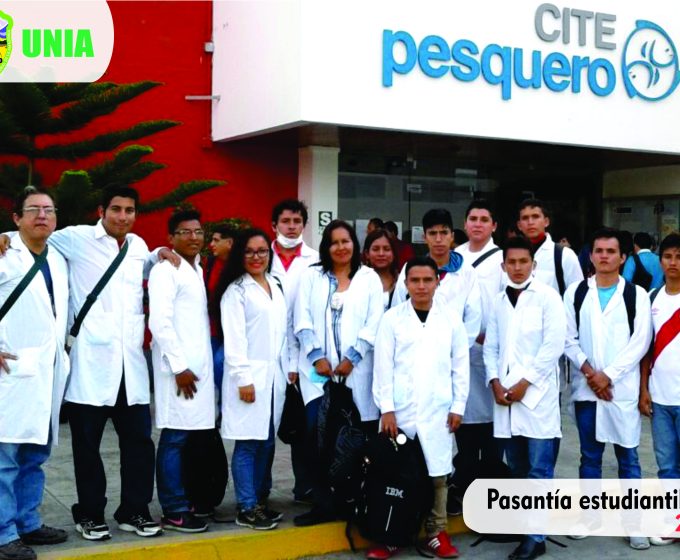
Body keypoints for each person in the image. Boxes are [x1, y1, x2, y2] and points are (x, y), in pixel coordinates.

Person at [44, 186, 174, 540]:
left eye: (129, 210)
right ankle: (89, 513)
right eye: (116, 209)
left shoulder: (137, 246)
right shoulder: (76, 238)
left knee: (139, 445)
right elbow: (35, 235)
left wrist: (160, 252)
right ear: (102, 210)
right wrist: (7, 239)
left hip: (130, 367)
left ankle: (134, 510)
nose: (122, 216)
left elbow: (147, 264)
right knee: (87, 447)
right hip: (91, 365)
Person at [370, 256, 470, 559]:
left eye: (428, 280)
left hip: (438, 409)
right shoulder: (392, 319)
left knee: (438, 475)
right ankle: (392, 535)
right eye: (415, 280)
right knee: (395, 474)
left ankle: (436, 533)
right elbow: (383, 366)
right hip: (399, 412)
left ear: (437, 282)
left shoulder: (450, 319)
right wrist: (387, 408)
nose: (422, 286)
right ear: (406, 283)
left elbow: (460, 366)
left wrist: (458, 406)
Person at [563, 228, 652, 550]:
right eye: (598, 251)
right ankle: (591, 517)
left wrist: (608, 376)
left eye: (611, 251)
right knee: (589, 456)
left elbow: (640, 341)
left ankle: (633, 523)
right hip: (587, 389)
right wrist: (591, 374)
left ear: (623, 257)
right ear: (591, 255)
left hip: (620, 390)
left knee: (628, 458)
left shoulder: (636, 295)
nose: (604, 256)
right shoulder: (576, 293)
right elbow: (567, 338)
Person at [293, 220, 384, 526]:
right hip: (318, 376)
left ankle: (352, 500)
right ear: (326, 247)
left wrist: (353, 357)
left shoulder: (368, 278)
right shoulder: (312, 276)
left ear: (354, 245)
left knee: (354, 439)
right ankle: (322, 503)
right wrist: (316, 356)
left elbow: (374, 322)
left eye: (346, 241)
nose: (341, 247)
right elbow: (302, 319)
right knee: (318, 438)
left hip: (357, 373)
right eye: (334, 242)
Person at [483, 236, 566, 560]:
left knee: (539, 470)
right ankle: (524, 527)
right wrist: (494, 381)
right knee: (517, 468)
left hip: (536, 397)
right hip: (505, 397)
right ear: (503, 266)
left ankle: (536, 537)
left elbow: (553, 347)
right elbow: (491, 346)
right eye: (512, 262)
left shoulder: (548, 297)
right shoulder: (499, 301)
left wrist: (525, 383)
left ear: (534, 264)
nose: (517, 268)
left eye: (523, 262)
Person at [0, 187, 69, 560]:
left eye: (49, 209)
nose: (42, 215)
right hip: (11, 372)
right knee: (4, 460)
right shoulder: (4, 252)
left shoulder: (57, 256)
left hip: (46, 372)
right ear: (16, 218)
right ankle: (4, 534)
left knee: (35, 455)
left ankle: (28, 522)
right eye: (33, 210)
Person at [148, 210, 215, 533]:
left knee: (188, 436)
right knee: (174, 437)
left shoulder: (197, 268)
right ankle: (174, 509)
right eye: (185, 232)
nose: (193, 237)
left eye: (198, 231)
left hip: (196, 369)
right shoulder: (166, 270)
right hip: (179, 371)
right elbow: (159, 322)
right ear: (170, 238)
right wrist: (178, 366)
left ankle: (187, 501)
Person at [218, 229, 288, 531]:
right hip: (248, 379)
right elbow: (234, 342)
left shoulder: (275, 284)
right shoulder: (236, 292)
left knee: (266, 442)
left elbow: (283, 333)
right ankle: (246, 507)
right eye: (249, 251)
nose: (257, 257)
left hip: (274, 379)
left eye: (262, 251)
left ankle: (259, 501)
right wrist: (243, 379)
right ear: (240, 255)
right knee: (248, 444)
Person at [448, 200, 505, 515]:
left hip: (491, 353)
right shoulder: (454, 258)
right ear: (465, 223)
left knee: (492, 426)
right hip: (459, 353)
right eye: (473, 218)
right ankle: (465, 483)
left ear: (494, 225)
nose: (478, 224)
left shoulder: (502, 260)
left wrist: (489, 337)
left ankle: (491, 487)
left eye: (484, 219)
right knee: (464, 420)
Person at [269, 199, 319, 505]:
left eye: (297, 221)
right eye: (285, 221)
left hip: (303, 355)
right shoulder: (261, 256)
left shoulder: (315, 260)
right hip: (268, 352)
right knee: (264, 430)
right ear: (274, 224)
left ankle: (306, 487)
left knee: (303, 426)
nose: (291, 227)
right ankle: (259, 493)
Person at [639, 232, 680, 546]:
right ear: (660, 260)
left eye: (679, 257)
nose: (673, 263)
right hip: (660, 398)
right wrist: (643, 390)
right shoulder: (651, 298)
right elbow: (645, 351)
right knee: (666, 467)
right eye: (668, 256)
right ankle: (673, 523)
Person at [393, 208, 482, 348]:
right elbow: (397, 311)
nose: (439, 239)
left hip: (454, 351)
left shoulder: (467, 272)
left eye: (444, 233)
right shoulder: (410, 269)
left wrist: (457, 351)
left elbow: (473, 319)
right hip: (413, 349)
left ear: (452, 236)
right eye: (432, 233)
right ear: (424, 237)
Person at [516, 199, 583, 296]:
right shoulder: (510, 257)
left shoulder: (564, 255)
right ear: (519, 225)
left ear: (546, 222)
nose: (530, 222)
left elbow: (577, 296)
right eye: (525, 218)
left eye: (535, 216)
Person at [205, 224, 236, 391]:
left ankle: (227, 401)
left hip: (233, 330)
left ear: (229, 243)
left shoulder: (241, 265)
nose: (211, 244)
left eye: (216, 240)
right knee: (211, 367)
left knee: (219, 363)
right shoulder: (210, 263)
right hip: (214, 329)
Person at [363, 229, 399, 311]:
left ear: (393, 253)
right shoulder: (357, 282)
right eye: (375, 249)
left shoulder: (402, 283)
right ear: (367, 254)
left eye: (386, 249)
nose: (381, 254)